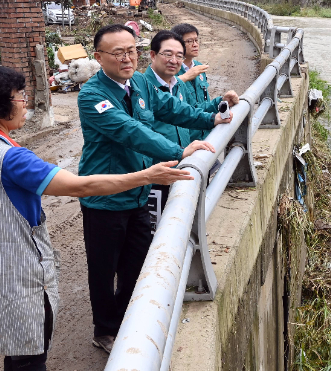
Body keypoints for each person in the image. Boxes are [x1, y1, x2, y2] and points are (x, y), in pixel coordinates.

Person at [0, 65, 193, 371]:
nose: (26, 102)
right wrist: (146, 175)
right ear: (0, 106)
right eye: (20, 96)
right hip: (19, 273)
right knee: (29, 353)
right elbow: (80, 186)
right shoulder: (12, 158)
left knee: (16, 349)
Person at [77, 24, 232, 353]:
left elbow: (172, 108)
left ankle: (126, 320)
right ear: (99, 57)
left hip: (138, 190)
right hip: (105, 196)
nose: (127, 58)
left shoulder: (139, 85)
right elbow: (130, 131)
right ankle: (104, 330)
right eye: (118, 53)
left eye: (131, 50)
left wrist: (211, 119)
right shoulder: (93, 96)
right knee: (104, 269)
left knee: (137, 262)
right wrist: (179, 152)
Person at [143, 30, 238, 207]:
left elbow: (187, 112)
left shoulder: (178, 84)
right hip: (158, 172)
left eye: (179, 55)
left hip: (183, 165)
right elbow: (137, 133)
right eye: (168, 54)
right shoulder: (142, 88)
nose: (174, 60)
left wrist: (215, 114)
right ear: (153, 55)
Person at [171, 23, 224, 141]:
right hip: (187, 138)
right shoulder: (170, 71)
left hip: (206, 133)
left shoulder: (200, 67)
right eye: (189, 41)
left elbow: (205, 101)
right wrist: (184, 78)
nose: (195, 45)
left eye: (196, 40)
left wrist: (221, 102)